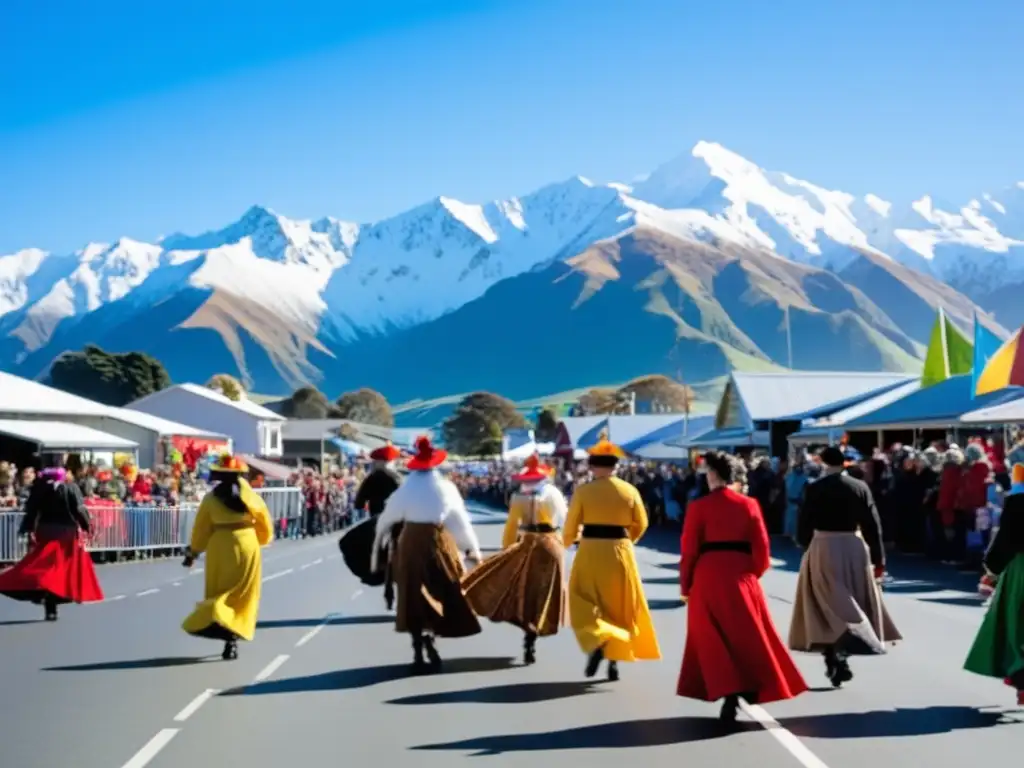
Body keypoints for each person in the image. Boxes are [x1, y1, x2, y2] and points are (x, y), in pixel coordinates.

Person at [677, 452, 808, 721]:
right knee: (747, 637)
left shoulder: (698, 507)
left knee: (712, 639)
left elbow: (689, 551)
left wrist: (686, 585)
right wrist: (751, 575)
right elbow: (762, 551)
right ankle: (745, 687)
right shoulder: (749, 505)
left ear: (713, 475)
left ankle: (727, 690)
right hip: (741, 575)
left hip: (708, 576)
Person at [788, 446, 901, 687]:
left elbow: (804, 521)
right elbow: (872, 524)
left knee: (824, 602)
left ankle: (832, 652)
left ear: (824, 463)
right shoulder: (859, 487)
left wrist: (804, 544)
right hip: (853, 546)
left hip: (823, 545)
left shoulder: (815, 488)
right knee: (852, 597)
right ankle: (845, 648)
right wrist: (879, 559)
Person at [371, 436, 482, 673]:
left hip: (410, 543)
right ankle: (432, 634)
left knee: (411, 592)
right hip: (439, 541)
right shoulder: (446, 488)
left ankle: (417, 648)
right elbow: (460, 521)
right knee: (444, 588)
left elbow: (387, 519)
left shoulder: (406, 489)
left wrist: (377, 547)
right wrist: (472, 549)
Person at [563, 435, 661, 681]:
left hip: (591, 550)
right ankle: (614, 660)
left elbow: (571, 525)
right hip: (620, 551)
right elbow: (642, 522)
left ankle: (597, 638)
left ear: (593, 467)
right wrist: (628, 541)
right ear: (615, 467)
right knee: (618, 607)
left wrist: (568, 542)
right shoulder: (629, 490)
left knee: (581, 599)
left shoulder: (584, 491)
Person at [463, 454, 568, 665]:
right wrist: (564, 543)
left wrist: (507, 548)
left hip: (527, 543)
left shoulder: (518, 498)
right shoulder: (554, 495)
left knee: (521, 589)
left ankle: (526, 626)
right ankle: (540, 625)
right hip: (550, 544)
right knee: (547, 591)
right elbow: (564, 520)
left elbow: (512, 526)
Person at [181, 454, 273, 660]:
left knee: (220, 591)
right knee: (242, 596)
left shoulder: (210, 499)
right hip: (248, 545)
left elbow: (201, 531)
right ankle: (233, 638)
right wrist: (256, 539)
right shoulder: (252, 498)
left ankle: (216, 620)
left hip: (220, 546)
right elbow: (266, 529)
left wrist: (193, 552)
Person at [0, 462, 103, 620]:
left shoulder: (40, 489)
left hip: (46, 531)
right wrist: (88, 526)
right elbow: (79, 509)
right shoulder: (71, 488)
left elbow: (32, 511)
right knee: (60, 569)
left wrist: (27, 530)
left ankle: (44, 596)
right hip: (66, 533)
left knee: (45, 565)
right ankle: (53, 596)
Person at [964, 463, 1024, 706]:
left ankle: (1021, 676)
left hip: (1020, 568)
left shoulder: (1017, 501)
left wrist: (991, 569)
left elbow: (1005, 539)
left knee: (1016, 623)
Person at [339, 443, 404, 608]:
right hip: (399, 519)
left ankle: (369, 574)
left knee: (347, 542)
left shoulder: (371, 478)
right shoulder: (398, 478)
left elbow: (359, 503)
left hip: (377, 521)